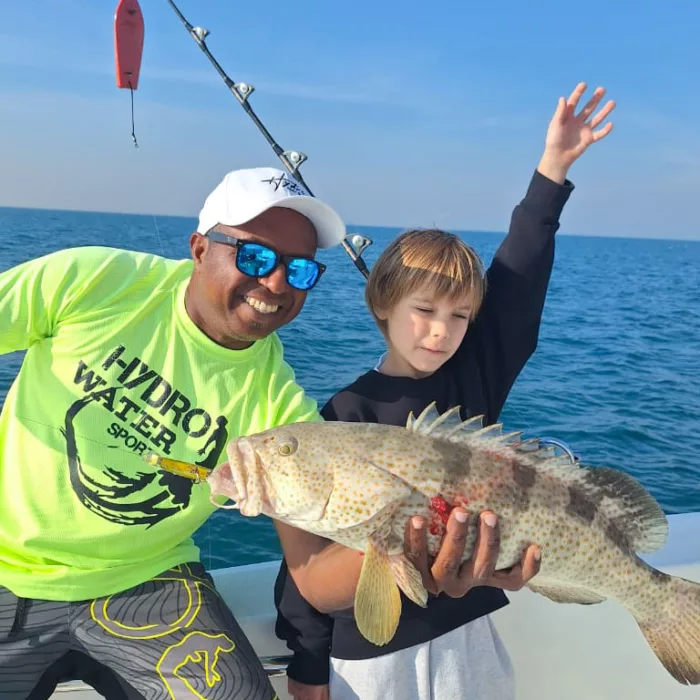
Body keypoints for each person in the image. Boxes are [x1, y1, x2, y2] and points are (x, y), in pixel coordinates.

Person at [273, 82, 616, 700]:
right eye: (424, 309)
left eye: (460, 317)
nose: (441, 331)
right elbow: (306, 556)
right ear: (382, 303)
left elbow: (518, 277)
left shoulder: (474, 378)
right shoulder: (344, 417)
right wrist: (306, 664)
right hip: (369, 655)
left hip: (468, 636)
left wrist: (553, 171)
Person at [0, 166, 350, 700]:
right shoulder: (95, 281)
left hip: (146, 578)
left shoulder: (283, 412)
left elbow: (316, 575)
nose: (277, 283)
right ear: (199, 247)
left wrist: (424, 563)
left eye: (299, 270)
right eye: (255, 256)